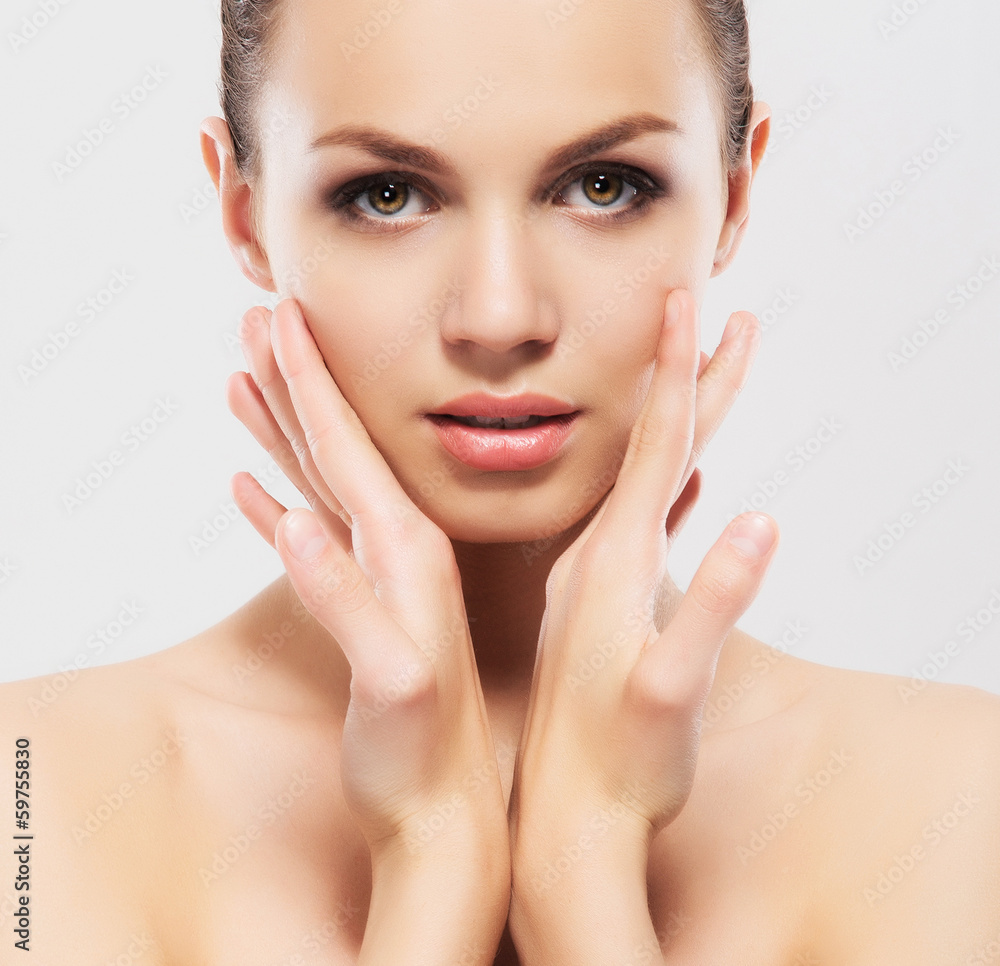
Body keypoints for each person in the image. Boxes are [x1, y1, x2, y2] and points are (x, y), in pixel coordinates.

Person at [2, 0, 998, 962]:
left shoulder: (961, 797)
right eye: (386, 193)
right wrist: (432, 853)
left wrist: (584, 876)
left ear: (735, 194)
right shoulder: (30, 790)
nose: (498, 314)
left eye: (603, 185)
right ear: (245, 212)